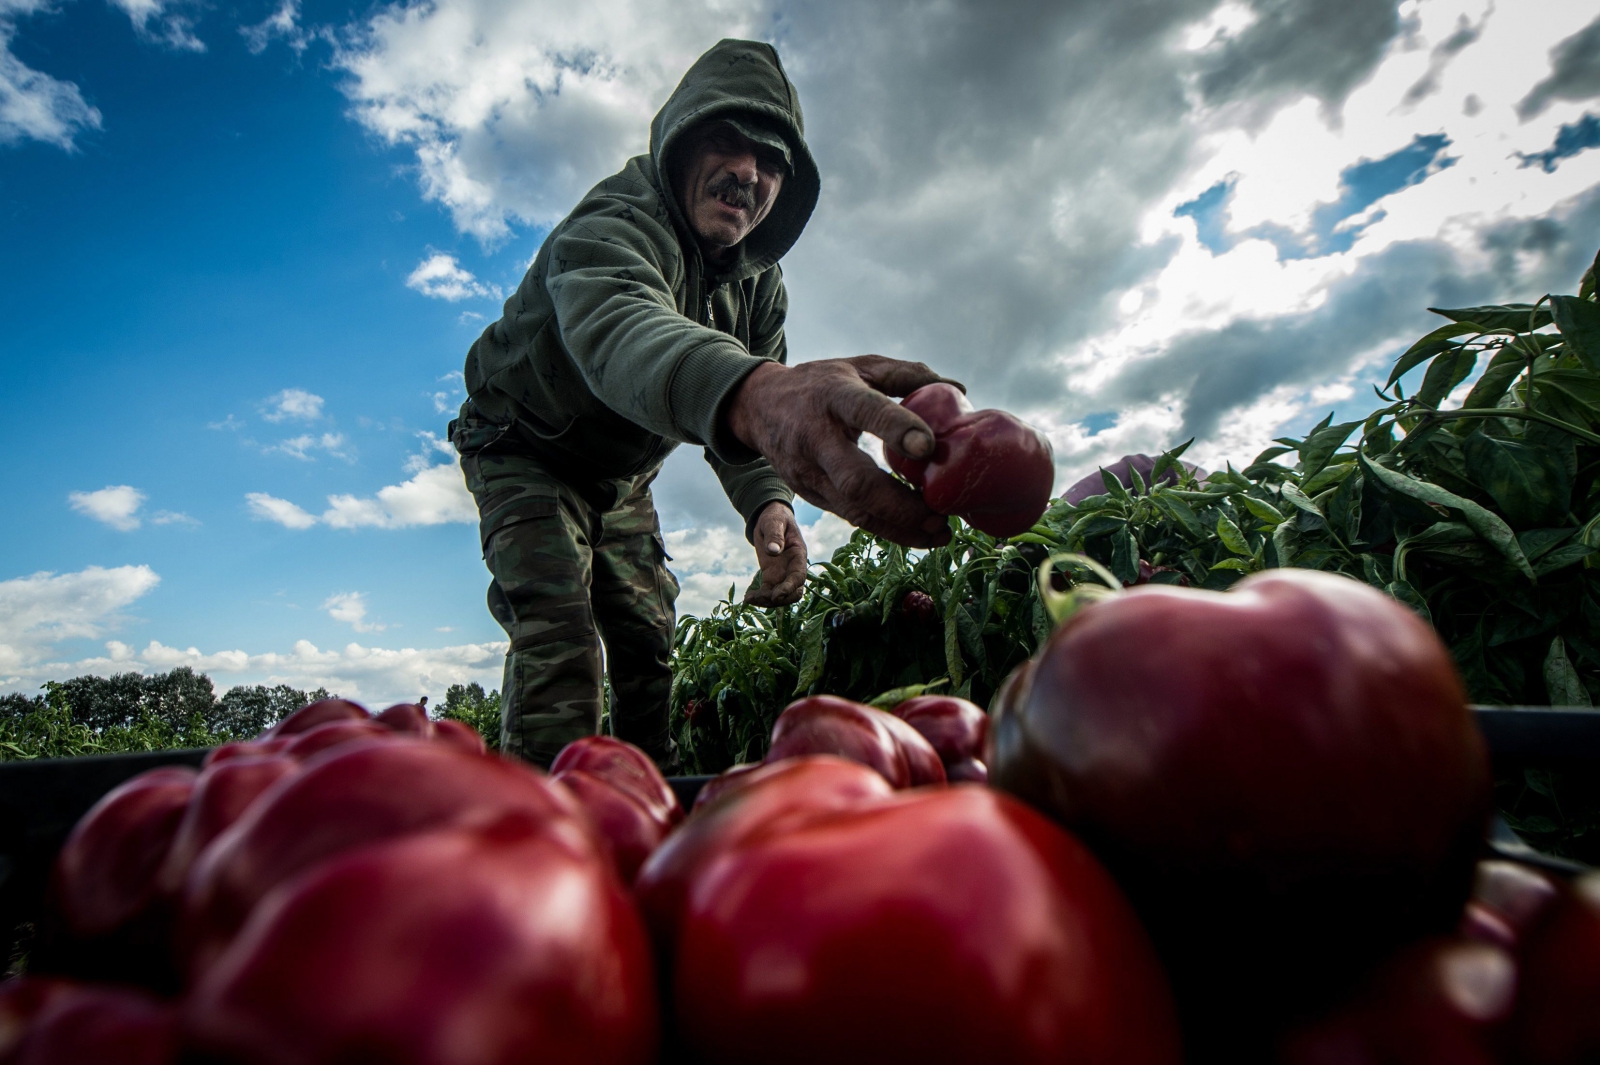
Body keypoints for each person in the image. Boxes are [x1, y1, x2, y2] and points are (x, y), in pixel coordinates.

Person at [449, 38, 957, 769]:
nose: (748, 172)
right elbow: (625, 330)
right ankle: (539, 832)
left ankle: (646, 807)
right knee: (558, 633)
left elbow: (747, 419)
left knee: (648, 640)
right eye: (727, 141)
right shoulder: (615, 224)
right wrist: (758, 392)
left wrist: (767, 504)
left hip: (623, 475)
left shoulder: (758, 287)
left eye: (772, 161)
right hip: (523, 447)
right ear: (680, 145)